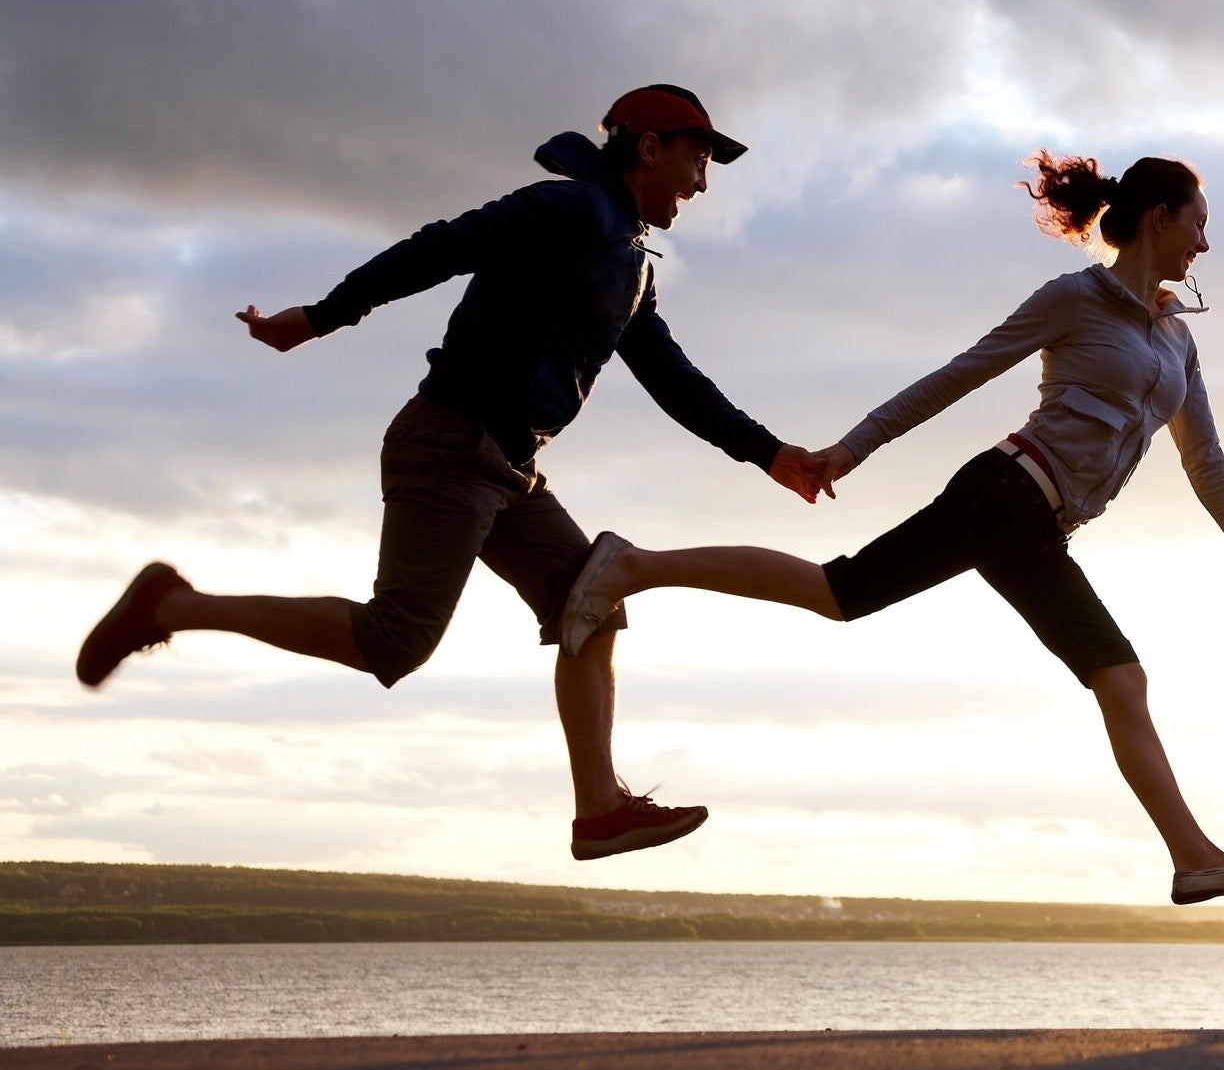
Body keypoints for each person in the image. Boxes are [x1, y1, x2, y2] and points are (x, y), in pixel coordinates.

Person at [75, 85, 824, 861]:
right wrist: (324, 315)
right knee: (394, 640)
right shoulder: (567, 210)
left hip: (510, 468)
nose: (701, 183)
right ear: (648, 147)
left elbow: (672, 377)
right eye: (697, 160)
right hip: (450, 445)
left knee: (591, 604)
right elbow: (444, 244)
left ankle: (599, 809)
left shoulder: (630, 261)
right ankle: (171, 606)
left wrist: (770, 454)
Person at [557, 151, 1224, 903]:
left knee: (1120, 678)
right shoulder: (1074, 299)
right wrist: (853, 447)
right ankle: (632, 566)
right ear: (1160, 218)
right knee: (837, 592)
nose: (1204, 246)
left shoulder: (1177, 337)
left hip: (1042, 529)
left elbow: (1202, 455)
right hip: (1005, 494)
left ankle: (1194, 859)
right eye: (1198, 225)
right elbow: (962, 372)